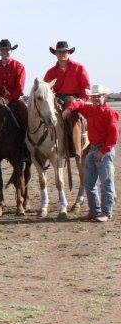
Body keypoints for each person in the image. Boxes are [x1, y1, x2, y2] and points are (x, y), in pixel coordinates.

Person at [63, 85, 119, 222]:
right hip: (92, 149)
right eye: (93, 96)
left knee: (106, 183)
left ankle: (106, 213)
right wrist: (69, 109)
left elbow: (114, 136)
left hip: (104, 151)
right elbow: (78, 104)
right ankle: (94, 211)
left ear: (104, 97)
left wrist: (104, 151)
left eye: (98, 96)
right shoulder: (90, 110)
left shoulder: (111, 113)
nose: (95, 99)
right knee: (89, 183)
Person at [44, 41, 91, 157]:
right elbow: (45, 89)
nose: (62, 54)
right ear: (55, 54)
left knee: (72, 117)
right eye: (59, 52)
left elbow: (86, 89)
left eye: (65, 51)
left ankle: (77, 149)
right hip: (56, 99)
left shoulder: (79, 68)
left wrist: (80, 101)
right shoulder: (51, 72)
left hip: (74, 99)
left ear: (69, 53)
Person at [0, 39, 27, 131]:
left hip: (15, 99)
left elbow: (20, 88)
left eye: (7, 50)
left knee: (26, 116)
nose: (4, 52)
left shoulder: (19, 67)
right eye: (2, 50)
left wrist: (9, 99)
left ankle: (26, 142)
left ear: (11, 51)